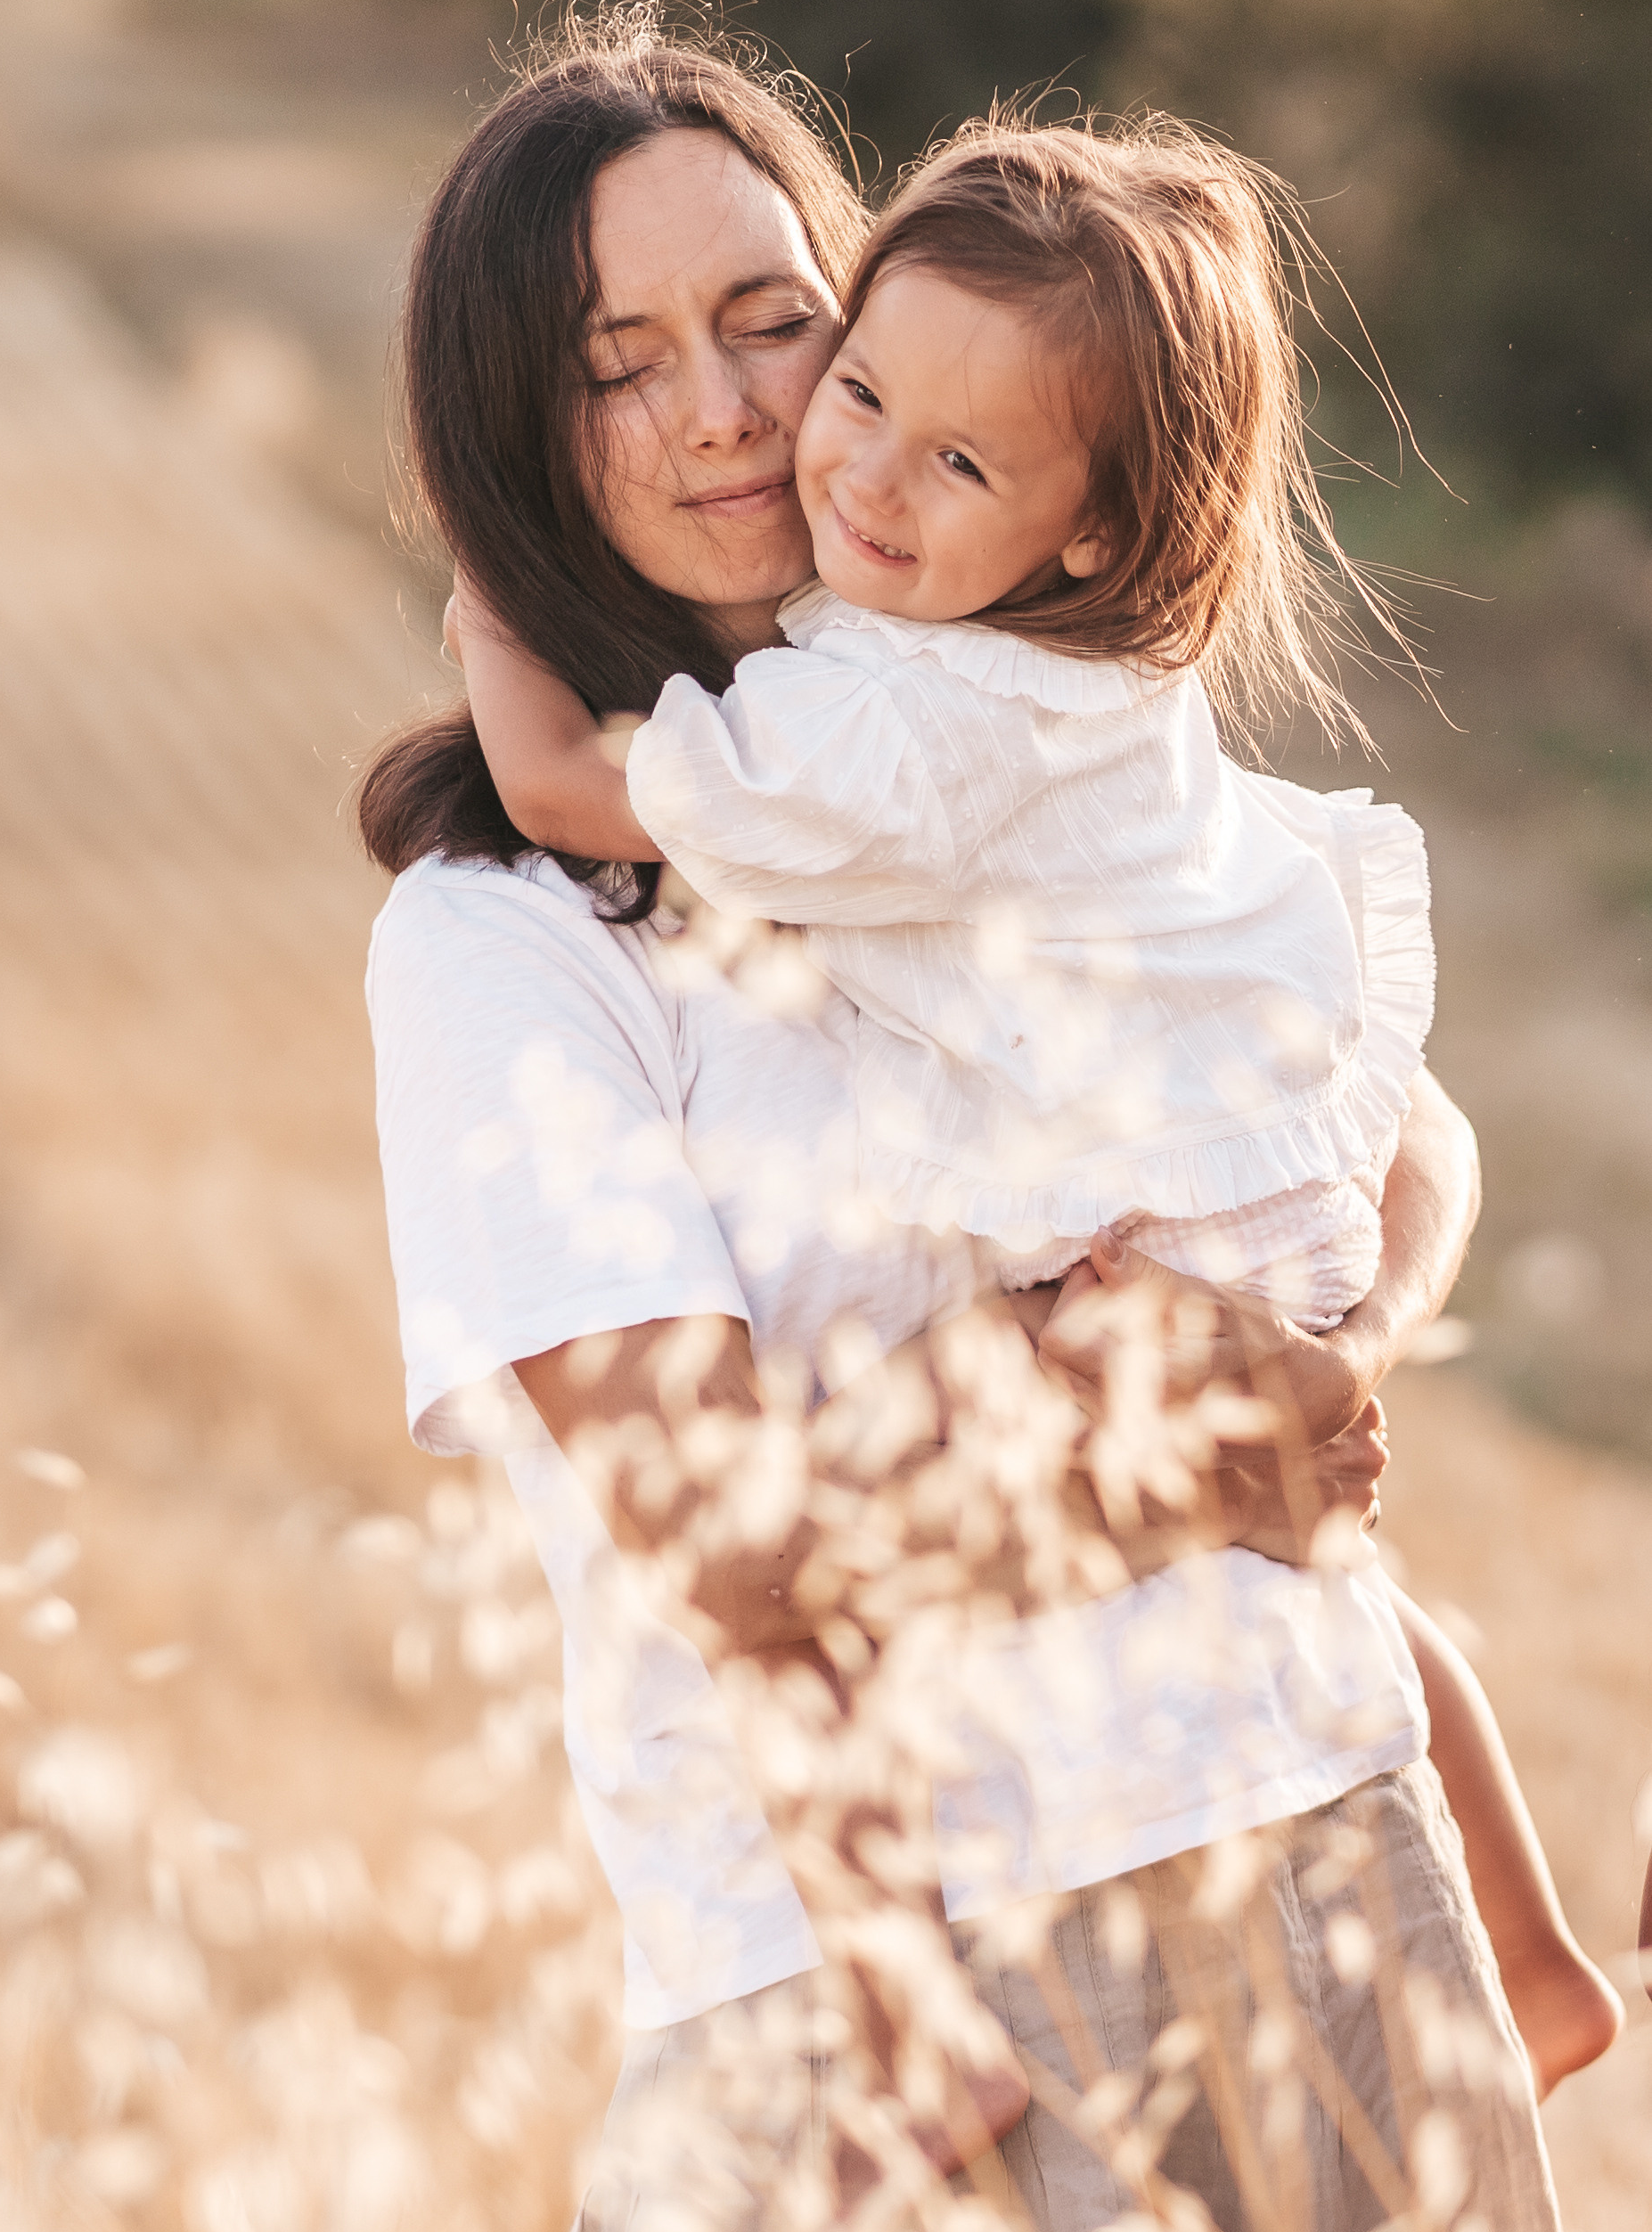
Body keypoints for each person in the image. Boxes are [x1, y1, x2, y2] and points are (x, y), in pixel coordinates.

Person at [359, 9, 1618, 2232]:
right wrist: (1166, 1417)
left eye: (767, 315)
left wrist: (1333, 1320)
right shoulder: (509, 944)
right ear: (502, 433)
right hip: (884, 2025)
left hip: (1304, 1876)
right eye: (606, 359)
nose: (716, 407)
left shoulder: (1000, 738)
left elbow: (1369, 1111)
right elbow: (721, 1527)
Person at [453, 102, 1622, 2108]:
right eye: (620, 363)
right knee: (1304, 1562)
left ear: (1087, 524)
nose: (839, 459)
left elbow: (572, 789)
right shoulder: (1052, 664)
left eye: (777, 329)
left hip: (1159, 1248)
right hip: (1250, 1185)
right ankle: (1528, 1951)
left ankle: (918, 2029)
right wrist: (1305, 1363)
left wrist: (488, 598)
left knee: (842, 1596)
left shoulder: (895, 715)